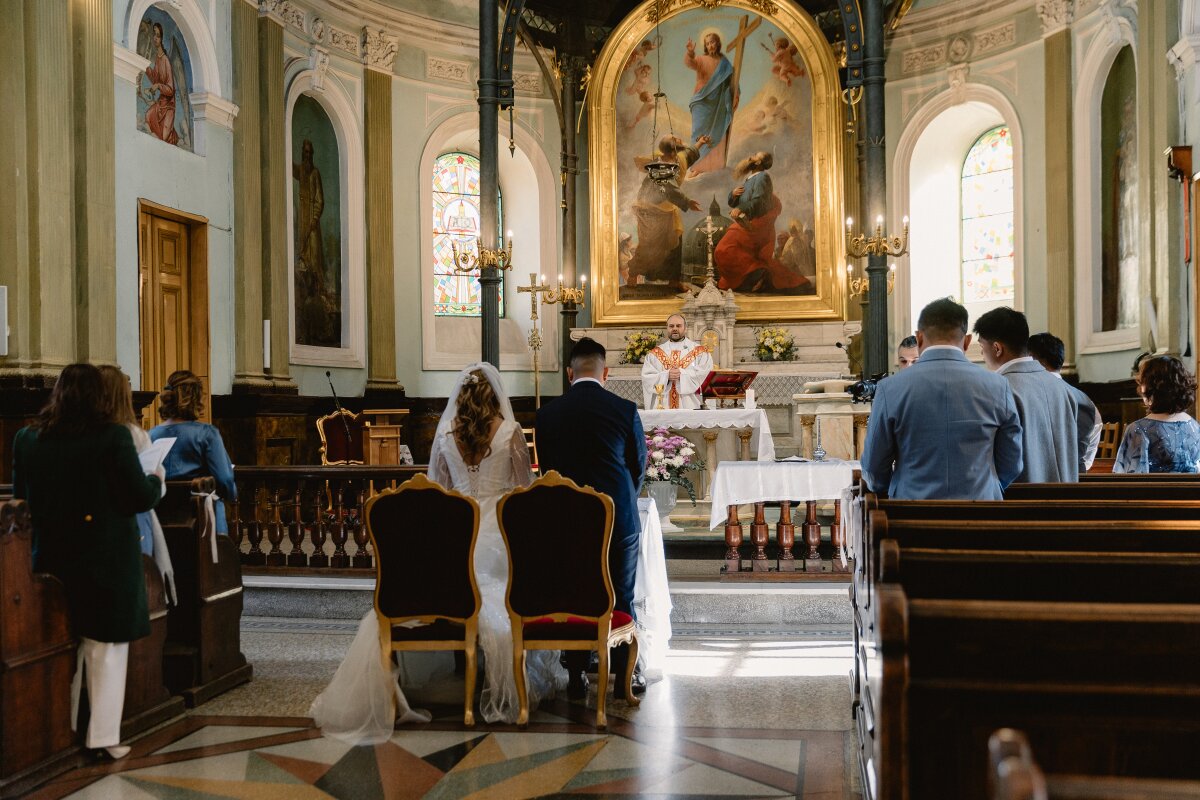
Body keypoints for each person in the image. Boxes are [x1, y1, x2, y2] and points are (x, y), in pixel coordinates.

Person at [311, 364, 565, 738]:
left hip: (456, 532)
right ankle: (506, 674)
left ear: (459, 398)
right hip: (499, 532)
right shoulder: (510, 432)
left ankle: (457, 669)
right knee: (512, 588)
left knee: (455, 587)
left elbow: (439, 492)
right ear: (495, 397)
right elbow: (524, 491)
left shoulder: (446, 435)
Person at [12, 363, 165, 760]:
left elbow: (20, 498)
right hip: (104, 558)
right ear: (98, 396)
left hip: (49, 557)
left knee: (63, 649)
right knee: (105, 649)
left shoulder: (27, 439)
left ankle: (62, 730)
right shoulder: (112, 438)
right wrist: (158, 480)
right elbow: (137, 497)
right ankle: (101, 740)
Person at [537, 338, 648, 700]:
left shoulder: (548, 414)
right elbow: (638, 466)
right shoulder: (625, 409)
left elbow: (549, 469)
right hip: (618, 518)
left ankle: (576, 674)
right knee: (621, 595)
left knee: (575, 593)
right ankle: (623, 675)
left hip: (566, 520)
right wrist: (619, 496)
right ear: (606, 373)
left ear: (569, 373)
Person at [861, 298, 1022, 500]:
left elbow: (874, 466)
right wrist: (988, 488)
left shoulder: (889, 388)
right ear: (967, 341)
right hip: (981, 514)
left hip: (911, 515)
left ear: (919, 338)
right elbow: (1012, 462)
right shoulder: (998, 386)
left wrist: (889, 489)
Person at [974, 308, 1083, 483]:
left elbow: (999, 461)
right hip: (1067, 500)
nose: (981, 354)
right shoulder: (1062, 388)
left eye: (981, 347)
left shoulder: (998, 388)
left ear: (997, 348)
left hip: (1023, 502)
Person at [97, 366, 176, 604]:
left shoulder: (83, 432)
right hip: (133, 516)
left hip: (96, 519)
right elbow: (153, 489)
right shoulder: (132, 433)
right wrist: (156, 479)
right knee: (139, 576)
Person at [149, 370, 237, 535]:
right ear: (196, 399)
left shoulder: (151, 435)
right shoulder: (206, 434)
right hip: (201, 520)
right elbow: (224, 479)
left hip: (161, 520)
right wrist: (231, 494)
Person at [715, 152, 808, 293]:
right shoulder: (750, 179)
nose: (750, 157)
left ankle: (759, 273)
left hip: (756, 225)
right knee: (724, 250)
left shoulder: (762, 178)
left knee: (724, 249)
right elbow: (737, 202)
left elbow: (760, 202)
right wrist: (733, 195)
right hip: (746, 221)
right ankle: (751, 278)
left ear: (758, 163)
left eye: (754, 156)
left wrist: (740, 208)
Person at [627, 135, 704, 288]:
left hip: (666, 208)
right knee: (648, 244)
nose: (679, 138)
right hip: (650, 209)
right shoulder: (660, 165)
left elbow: (688, 153)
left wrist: (700, 143)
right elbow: (671, 189)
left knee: (675, 243)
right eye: (676, 139)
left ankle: (674, 280)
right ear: (673, 150)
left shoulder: (677, 158)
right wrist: (688, 202)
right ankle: (633, 274)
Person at [1027, 332, 1103, 472]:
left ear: (1033, 359)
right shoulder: (1088, 403)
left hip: (1030, 486)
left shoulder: (1025, 395)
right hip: (1074, 484)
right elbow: (1087, 459)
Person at [1114, 355, 1200, 473]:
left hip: (1157, 491)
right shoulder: (1194, 425)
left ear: (1150, 387)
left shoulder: (1139, 429)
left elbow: (1128, 480)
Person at [685, 32, 738, 177]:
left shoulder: (724, 62)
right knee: (698, 132)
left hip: (719, 102)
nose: (710, 45)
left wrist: (735, 94)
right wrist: (690, 52)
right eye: (708, 43)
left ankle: (715, 165)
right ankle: (696, 165)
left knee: (718, 132)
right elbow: (691, 63)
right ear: (705, 46)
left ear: (718, 43)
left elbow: (732, 81)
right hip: (702, 101)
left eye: (713, 42)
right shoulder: (702, 59)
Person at [640, 313, 713, 409]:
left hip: (690, 406)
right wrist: (666, 376)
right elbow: (647, 378)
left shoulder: (700, 352)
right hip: (663, 406)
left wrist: (682, 374)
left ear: (685, 328)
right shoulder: (654, 354)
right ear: (667, 328)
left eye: (678, 326)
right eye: (671, 326)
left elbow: (705, 375)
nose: (675, 328)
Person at [141, 22, 178, 145]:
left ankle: (173, 134)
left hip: (168, 107)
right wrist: (146, 67)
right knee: (148, 116)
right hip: (160, 104)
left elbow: (170, 89)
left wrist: (158, 86)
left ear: (162, 38)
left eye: (158, 35)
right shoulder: (157, 59)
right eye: (154, 35)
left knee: (164, 137)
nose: (155, 38)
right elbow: (155, 79)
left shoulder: (166, 60)